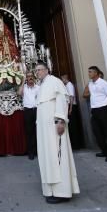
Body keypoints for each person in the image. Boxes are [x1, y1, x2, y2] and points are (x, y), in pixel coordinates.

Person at [35, 61, 80, 204]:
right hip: (44, 129)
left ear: (47, 70)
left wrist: (61, 120)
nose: (38, 73)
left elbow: (63, 100)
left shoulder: (55, 81)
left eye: (40, 70)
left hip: (55, 127)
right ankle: (51, 189)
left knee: (58, 157)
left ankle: (62, 192)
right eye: (36, 71)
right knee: (49, 157)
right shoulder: (42, 85)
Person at [83, 66, 107, 162]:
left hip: (104, 109)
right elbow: (85, 94)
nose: (89, 73)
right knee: (97, 132)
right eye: (88, 72)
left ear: (96, 73)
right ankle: (105, 151)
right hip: (94, 110)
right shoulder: (90, 84)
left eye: (90, 72)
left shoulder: (103, 83)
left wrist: (105, 105)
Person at [18, 72, 39, 160]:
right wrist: (23, 82)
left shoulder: (38, 87)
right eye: (28, 76)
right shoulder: (24, 88)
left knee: (38, 131)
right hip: (28, 111)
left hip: (37, 111)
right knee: (29, 132)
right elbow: (19, 93)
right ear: (26, 78)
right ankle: (31, 152)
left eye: (31, 76)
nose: (30, 78)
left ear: (34, 78)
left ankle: (38, 151)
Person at [61, 74, 80, 149]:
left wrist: (70, 108)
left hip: (71, 106)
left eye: (62, 79)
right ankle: (74, 143)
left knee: (73, 125)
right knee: (70, 126)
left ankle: (76, 144)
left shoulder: (69, 85)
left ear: (65, 78)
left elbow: (71, 97)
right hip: (69, 106)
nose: (62, 81)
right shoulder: (66, 85)